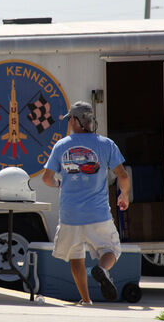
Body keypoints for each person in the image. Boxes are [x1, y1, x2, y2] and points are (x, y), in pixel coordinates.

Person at [41, 101, 130, 305]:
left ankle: (86, 300)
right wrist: (123, 195)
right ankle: (102, 269)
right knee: (111, 250)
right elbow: (122, 175)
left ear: (73, 120)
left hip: (70, 216)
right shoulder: (106, 144)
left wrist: (58, 184)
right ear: (90, 121)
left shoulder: (61, 146)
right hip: (97, 213)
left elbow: (47, 178)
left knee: (76, 256)